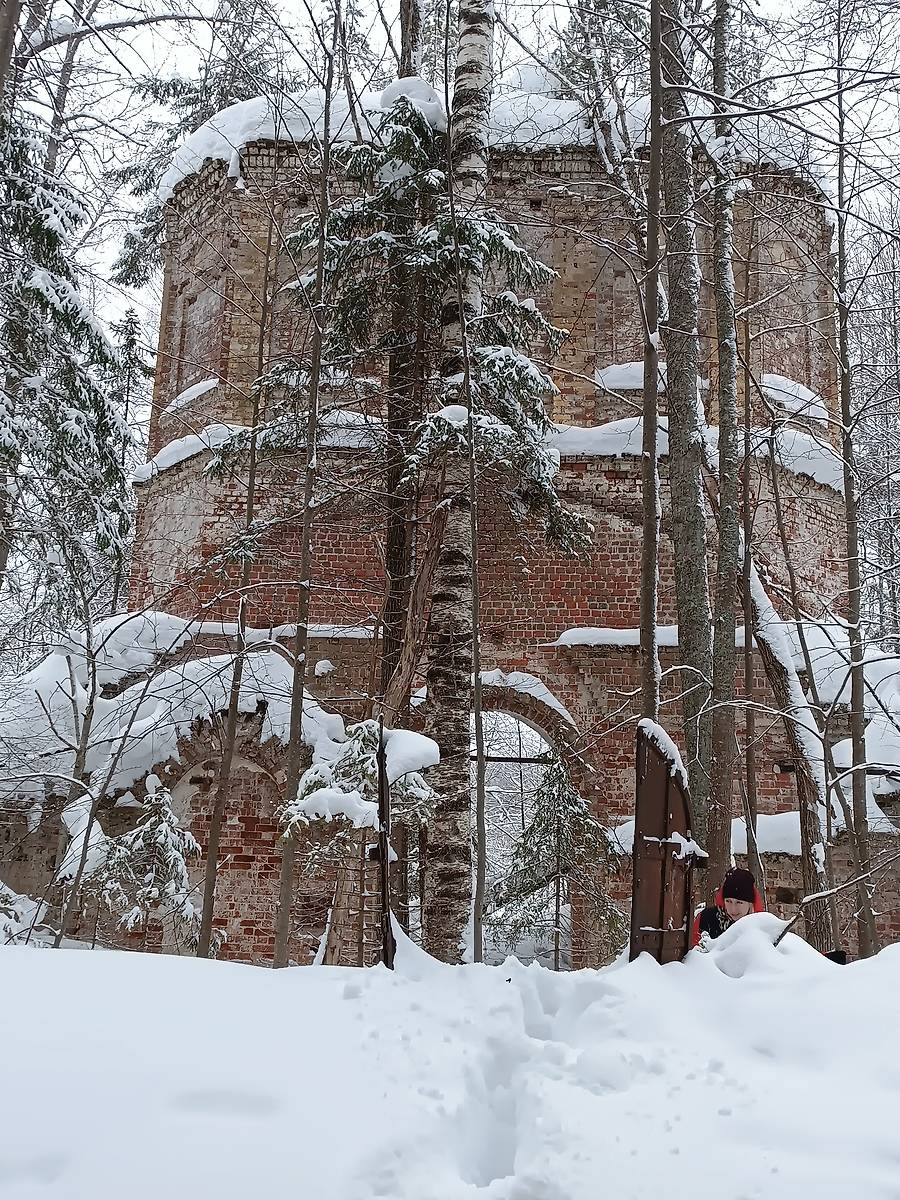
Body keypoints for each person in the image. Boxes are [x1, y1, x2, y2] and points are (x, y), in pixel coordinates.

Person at [690, 867, 764, 947]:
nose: (733, 909)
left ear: (749, 903)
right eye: (728, 901)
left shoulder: (761, 925)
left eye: (739, 902)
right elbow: (694, 948)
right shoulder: (707, 918)